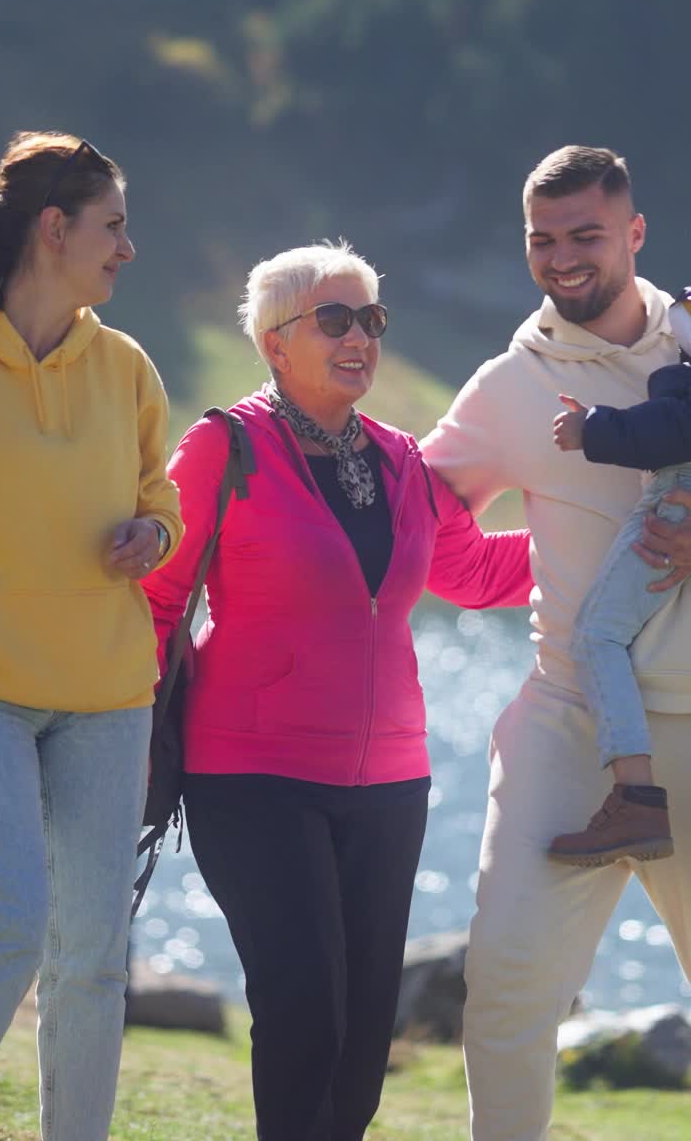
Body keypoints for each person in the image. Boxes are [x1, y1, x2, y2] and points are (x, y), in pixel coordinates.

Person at [142, 240, 532, 1141]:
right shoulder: (222, 446)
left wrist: (605, 550)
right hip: (252, 775)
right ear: (275, 343)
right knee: (305, 1008)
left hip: (392, 783)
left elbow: (470, 571)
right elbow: (157, 598)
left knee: (360, 1038)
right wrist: (121, 738)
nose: (361, 336)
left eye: (372, 320)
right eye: (336, 319)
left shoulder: (401, 459)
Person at [421, 145, 691, 1141]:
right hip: (566, 721)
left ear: (634, 233)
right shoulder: (510, 385)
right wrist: (522, 570)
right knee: (507, 991)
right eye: (544, 239)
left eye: (585, 234)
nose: (563, 257)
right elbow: (424, 522)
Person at [0, 131, 183, 1141]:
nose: (128, 249)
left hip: (108, 693)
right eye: (114, 225)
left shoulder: (126, 364)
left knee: (95, 955)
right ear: (53, 230)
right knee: (6, 919)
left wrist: (154, 531)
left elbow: (162, 495)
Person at [548, 289, 691, 866]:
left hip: (674, 499)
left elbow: (671, 427)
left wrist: (593, 429)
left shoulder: (680, 380)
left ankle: (636, 795)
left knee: (597, 635)